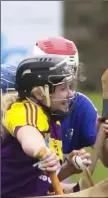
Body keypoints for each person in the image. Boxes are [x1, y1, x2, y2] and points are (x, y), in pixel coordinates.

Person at [1, 55, 92, 197]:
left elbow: (40, 181)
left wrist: (68, 168)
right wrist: (41, 150)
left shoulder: (52, 120)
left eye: (70, 87)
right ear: (39, 93)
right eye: (63, 88)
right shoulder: (24, 110)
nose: (70, 94)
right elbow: (29, 136)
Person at [33, 36, 108, 170]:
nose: (69, 93)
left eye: (70, 82)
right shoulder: (23, 109)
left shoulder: (80, 105)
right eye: (60, 83)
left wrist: (103, 136)